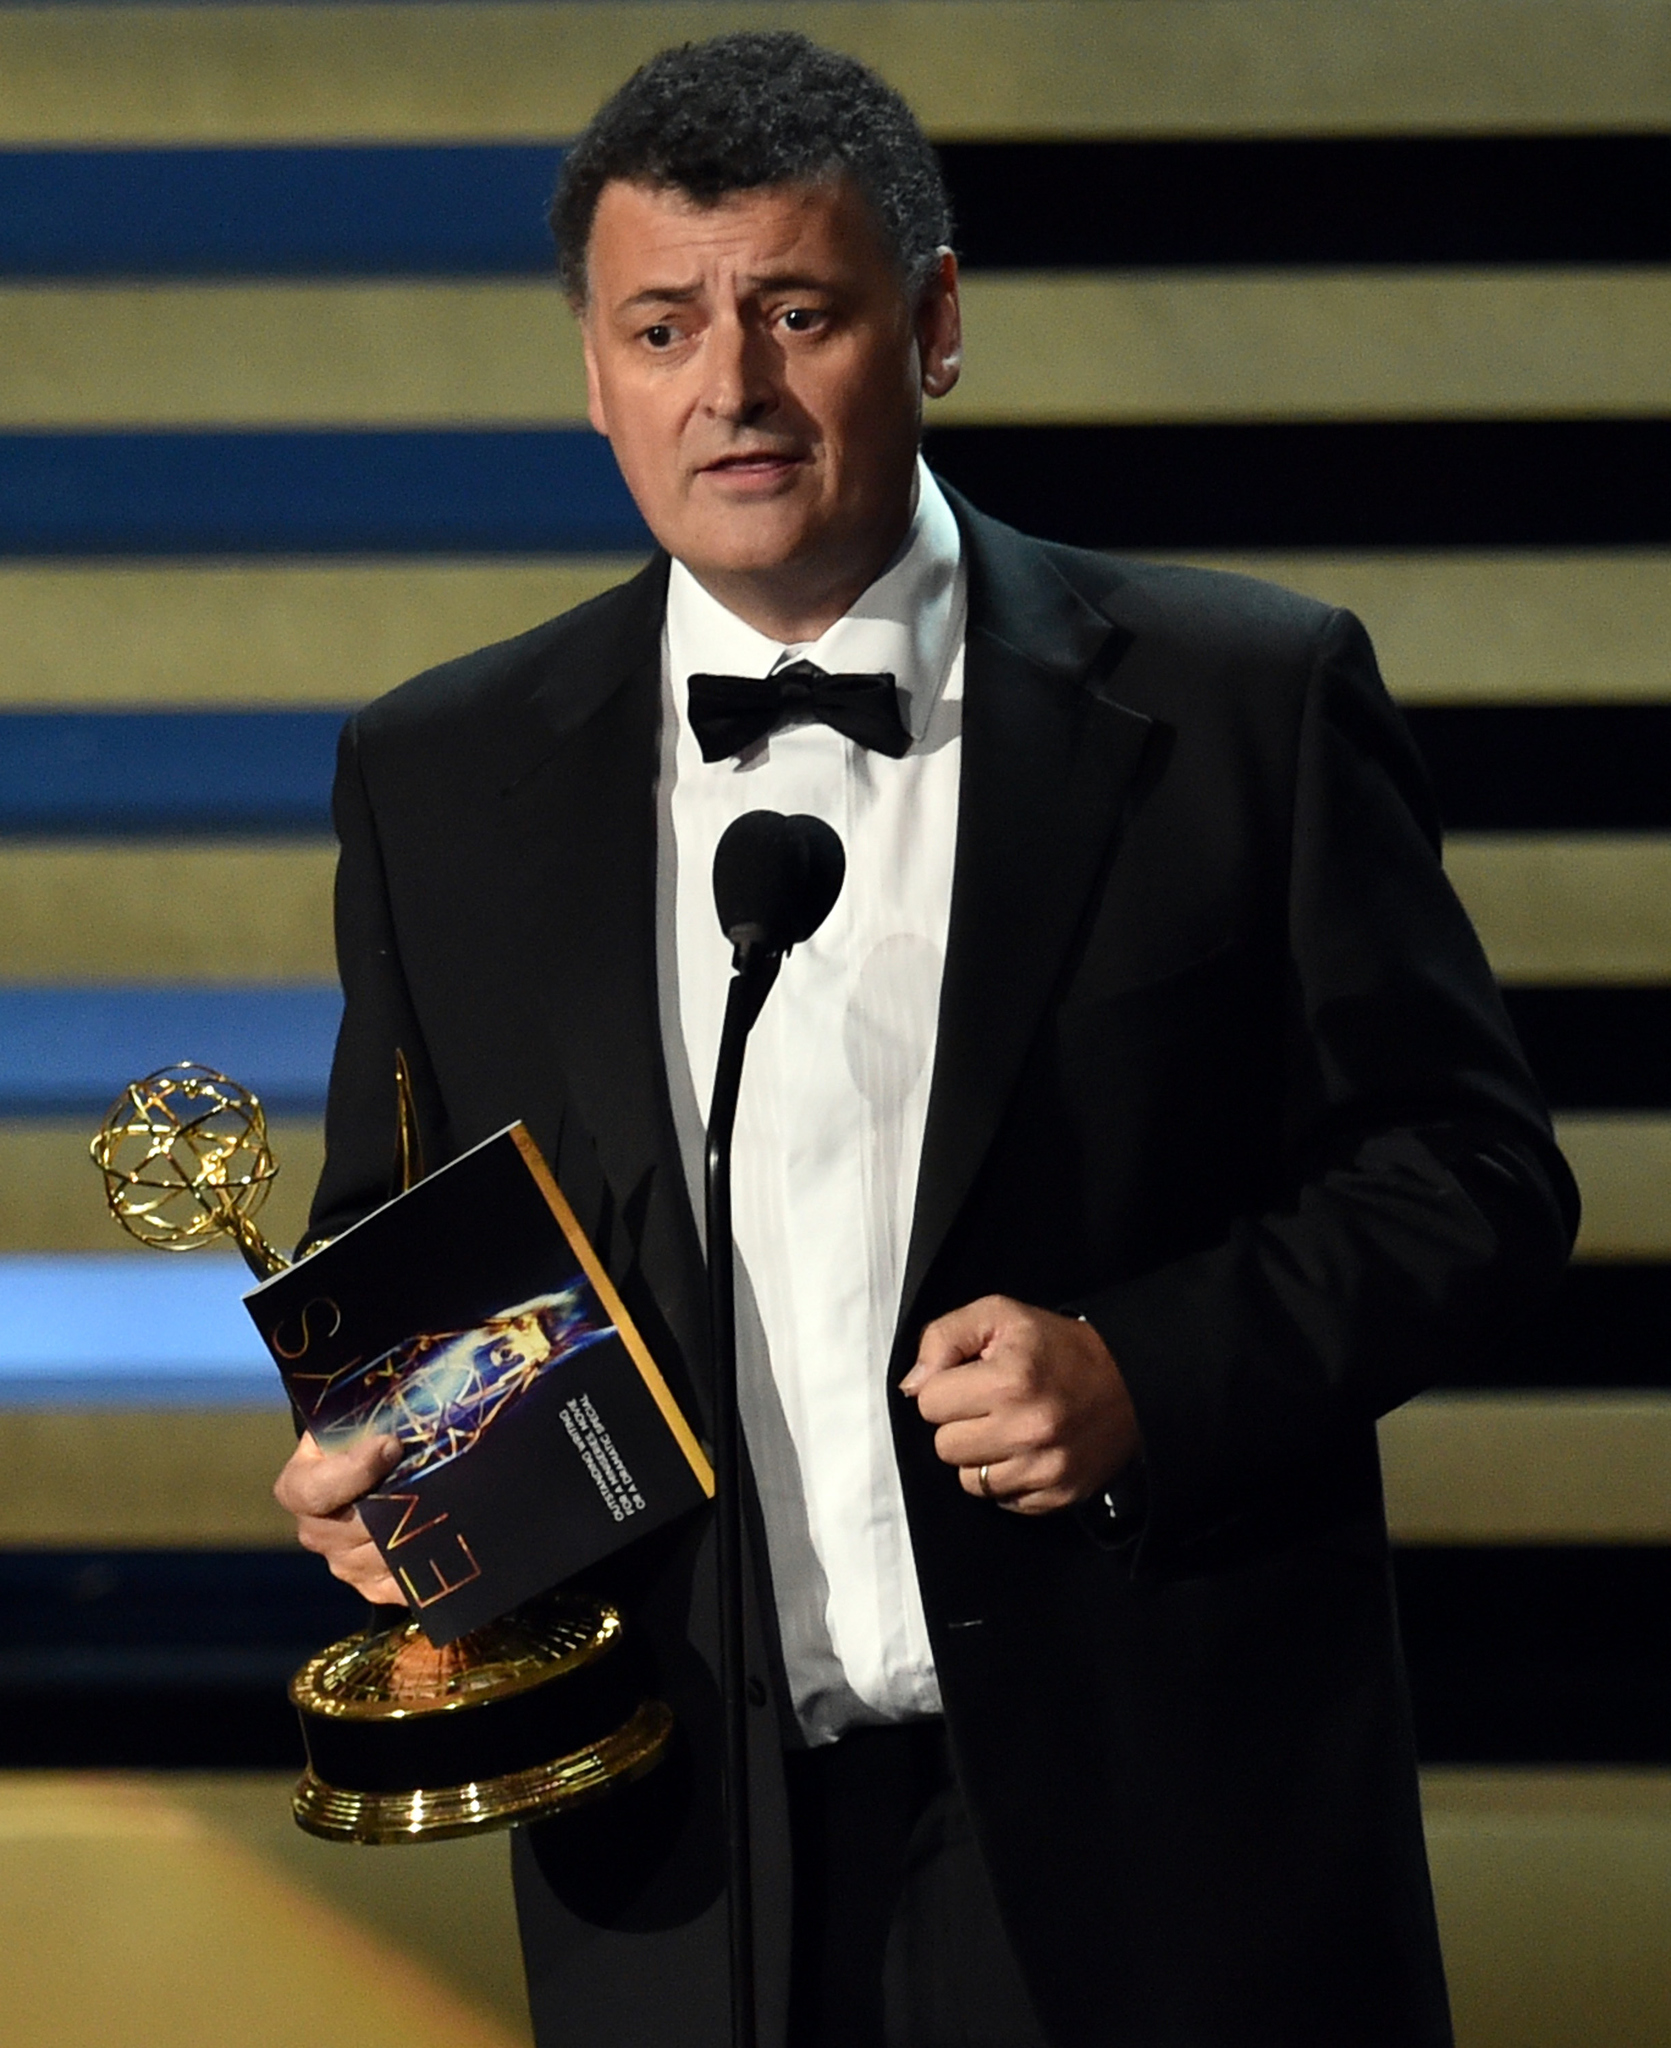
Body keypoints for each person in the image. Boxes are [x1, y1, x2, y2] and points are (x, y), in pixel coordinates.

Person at [274, 31, 1577, 2048]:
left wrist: (1146, 1366)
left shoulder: (1243, 703)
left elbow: (1470, 1178)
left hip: (1166, 1851)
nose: (731, 386)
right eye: (662, 324)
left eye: (796, 311)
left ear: (933, 321)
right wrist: (392, 1471)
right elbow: (415, 1245)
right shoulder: (436, 778)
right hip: (683, 1870)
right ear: (591, 372)